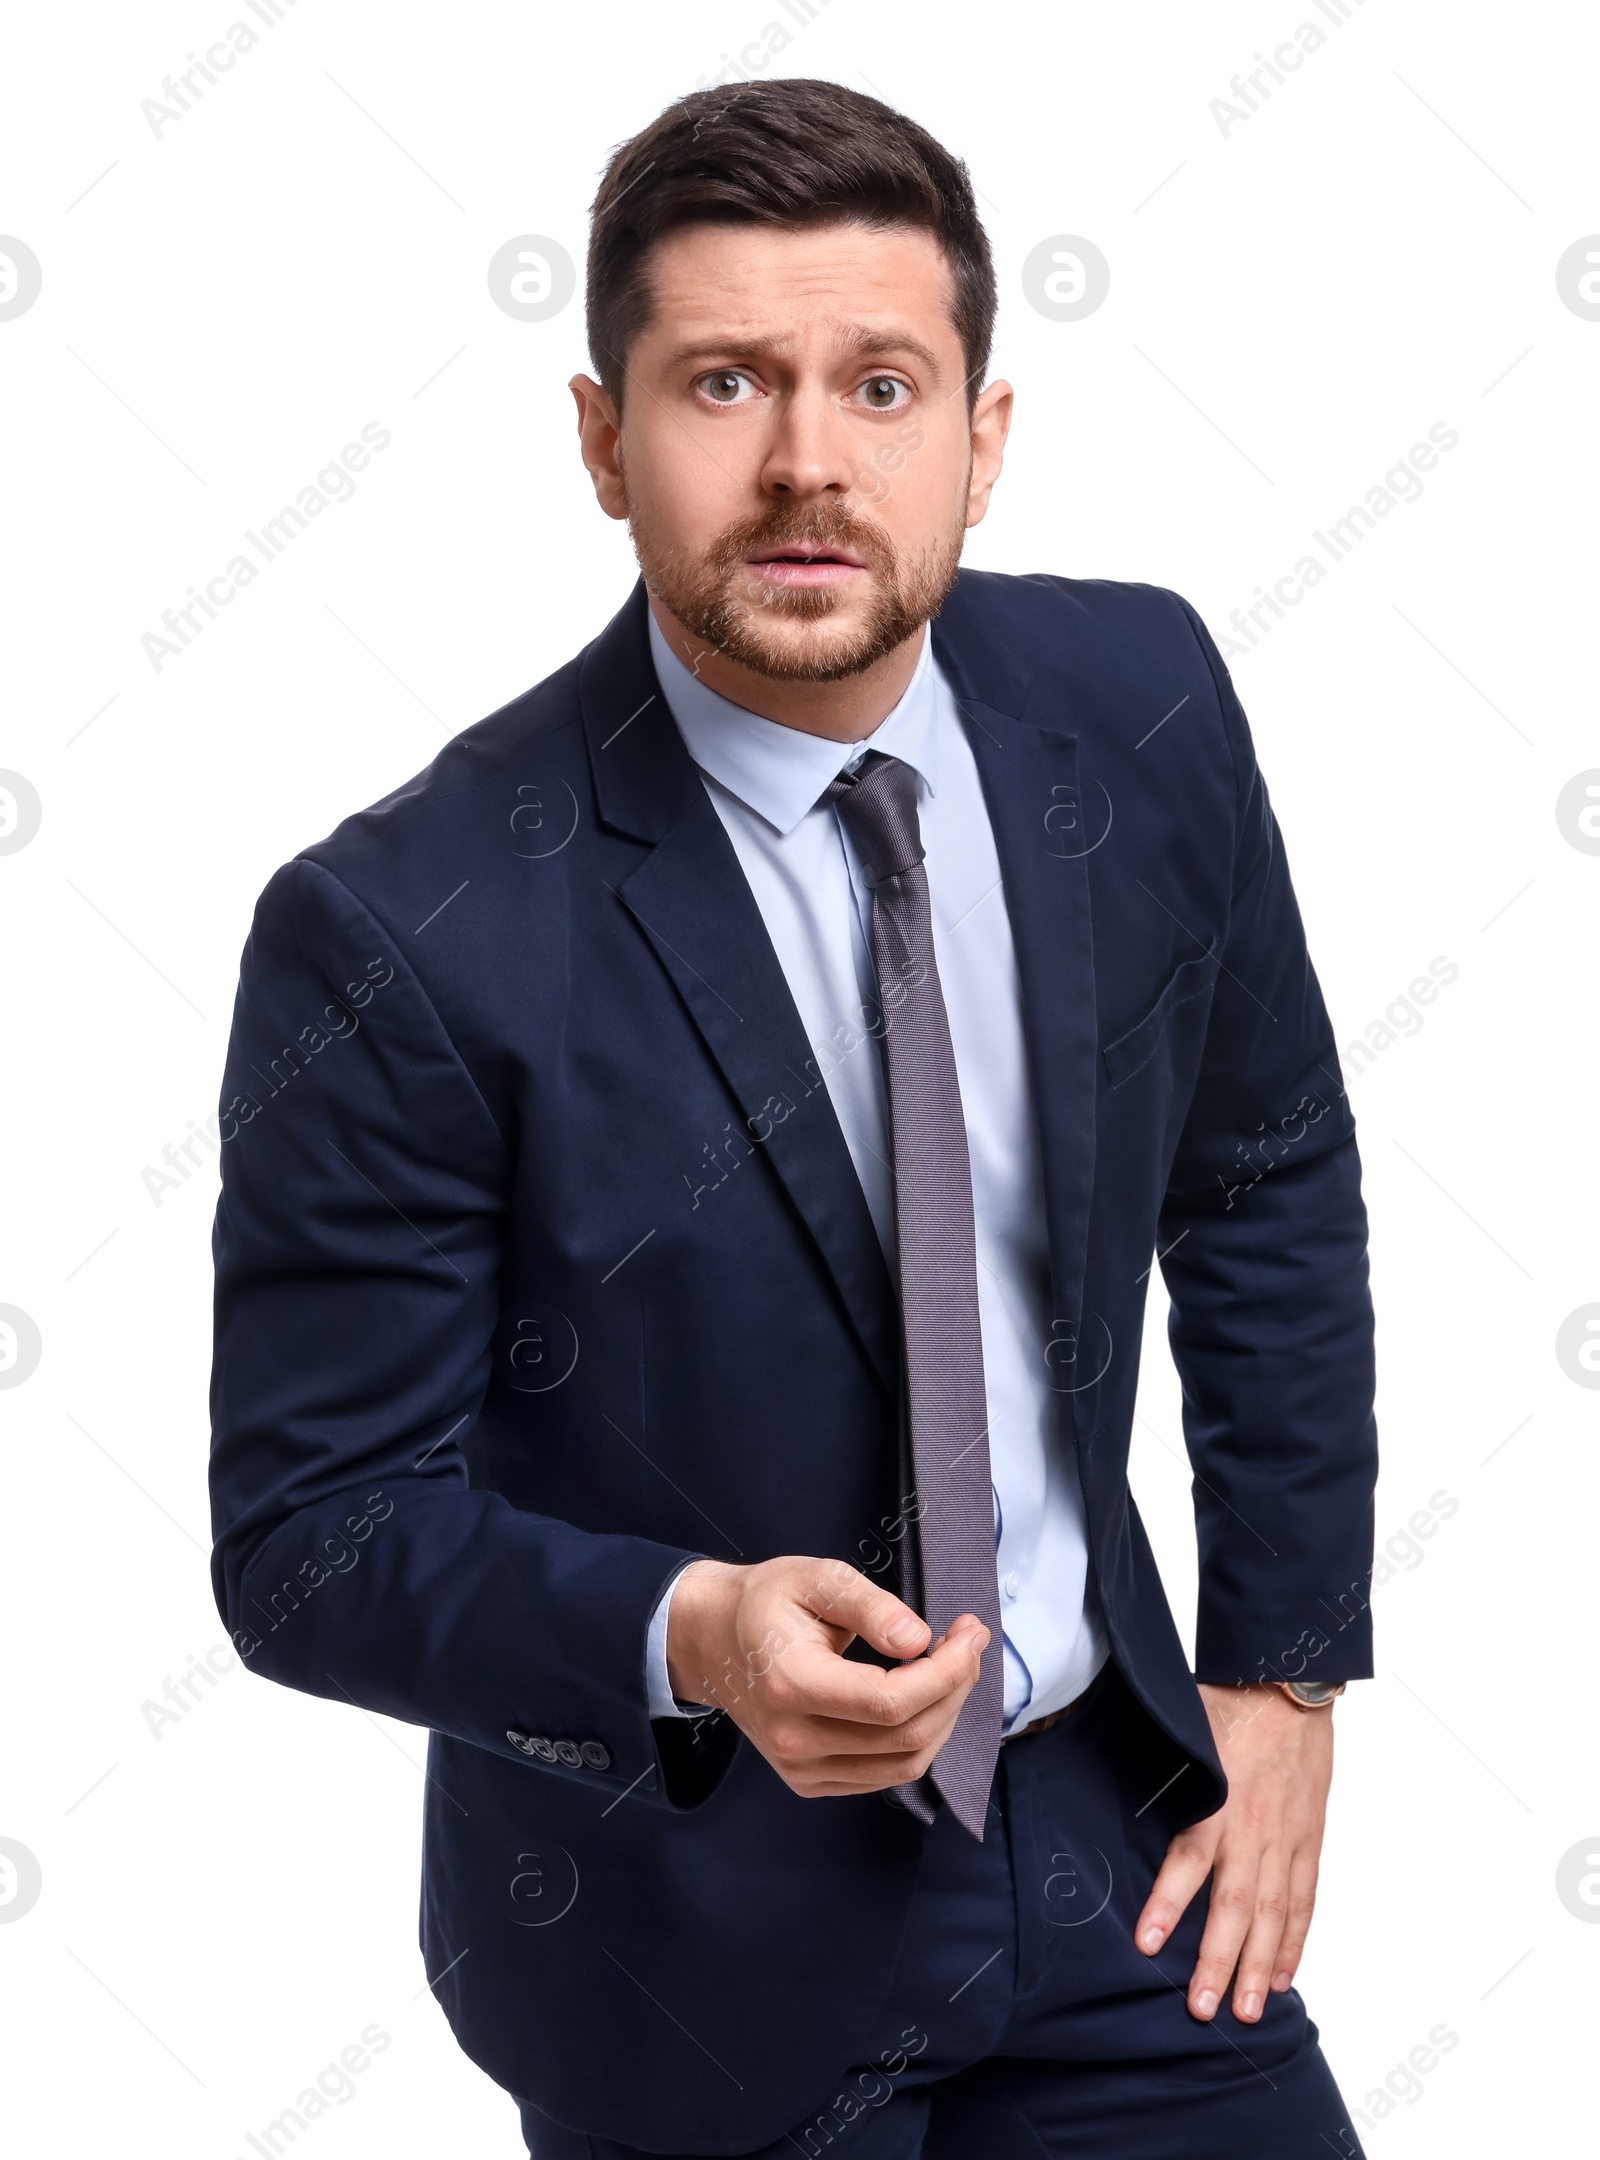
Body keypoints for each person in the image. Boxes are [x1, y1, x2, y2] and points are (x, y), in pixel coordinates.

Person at [208, 77, 1378, 2160]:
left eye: (880, 383)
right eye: (722, 381)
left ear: (981, 439)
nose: (805, 465)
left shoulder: (1145, 706)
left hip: (1112, 1859)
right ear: (600, 439)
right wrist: (691, 1638)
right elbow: (310, 1542)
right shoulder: (403, 924)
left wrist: (1279, 1676)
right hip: (683, 1943)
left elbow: (1262, 1169)